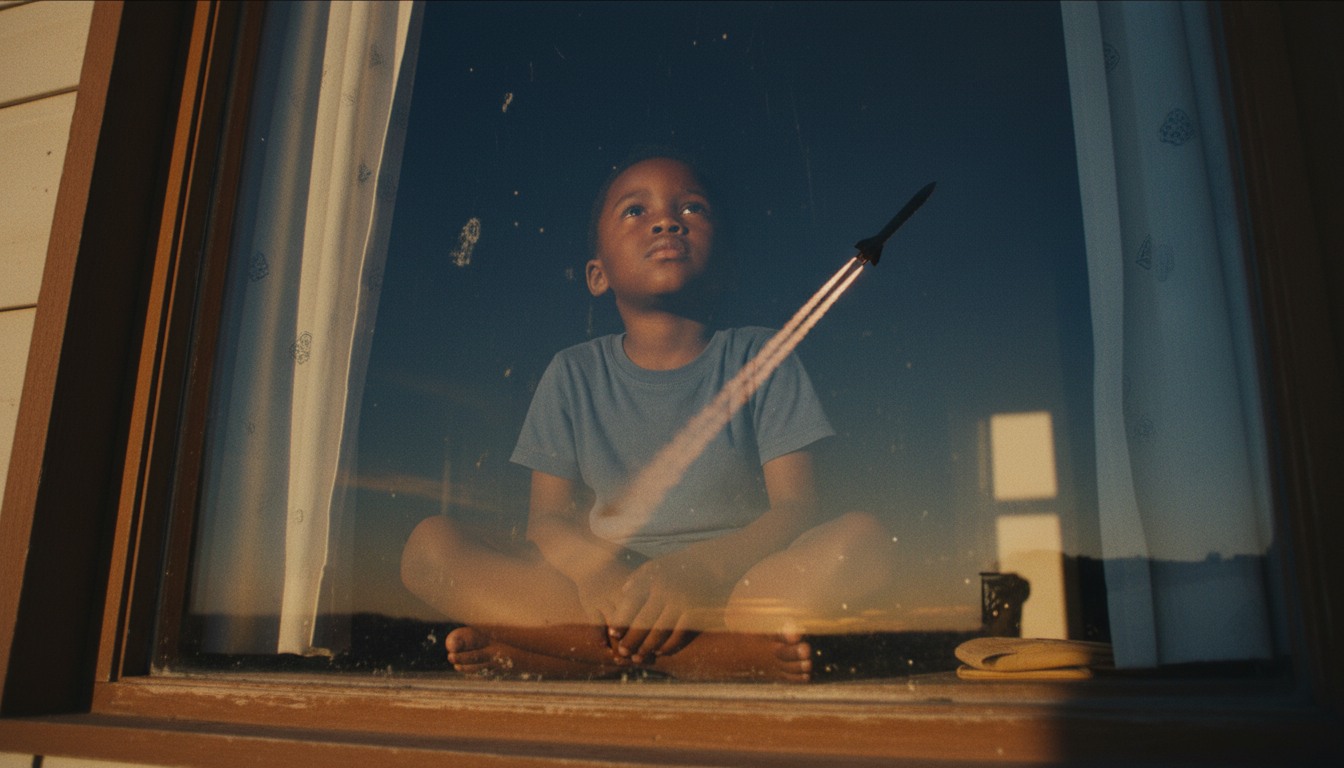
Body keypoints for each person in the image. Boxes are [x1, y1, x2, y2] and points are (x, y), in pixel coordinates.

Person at [400, 150, 895, 682]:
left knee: (864, 541)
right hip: (603, 594)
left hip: (731, 587)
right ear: (598, 275)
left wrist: (699, 571)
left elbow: (795, 508)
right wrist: (599, 577)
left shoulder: (763, 355)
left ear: (728, 267)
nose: (666, 221)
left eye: (692, 208)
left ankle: (558, 656)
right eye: (636, 211)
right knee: (430, 549)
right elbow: (546, 521)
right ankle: (709, 660)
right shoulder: (572, 372)